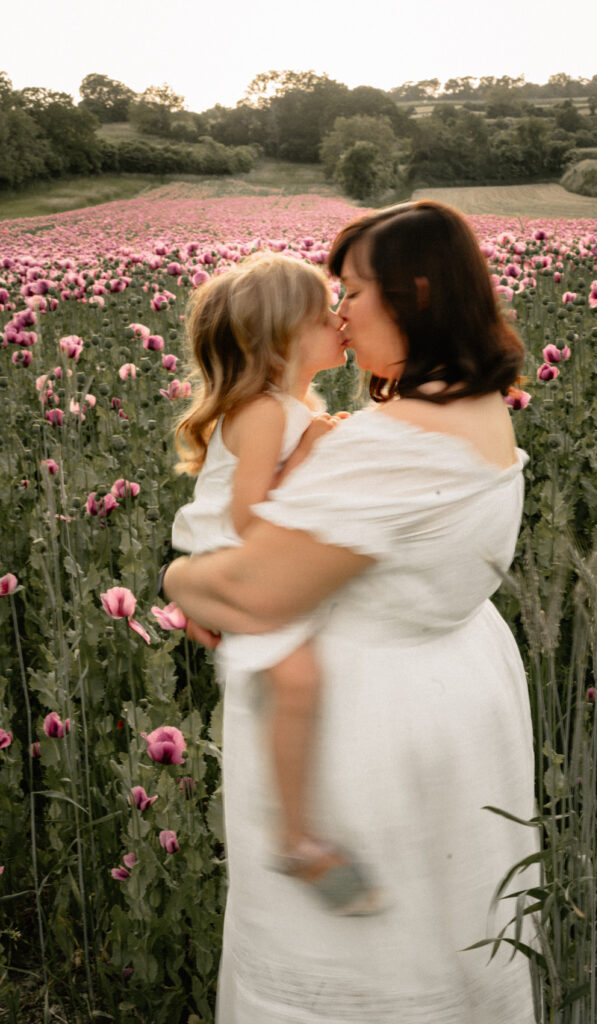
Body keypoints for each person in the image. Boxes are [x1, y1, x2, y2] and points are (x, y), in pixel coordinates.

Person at [163, 201, 538, 1023]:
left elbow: (253, 591)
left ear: (415, 293)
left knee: (366, 983)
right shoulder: (473, 407)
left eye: (354, 291)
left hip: (370, 740)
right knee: (448, 947)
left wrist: (180, 580)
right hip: (451, 701)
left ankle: (305, 846)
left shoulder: (394, 439)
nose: (341, 311)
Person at [171, 252, 381, 914]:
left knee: (309, 681)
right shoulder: (264, 413)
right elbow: (249, 516)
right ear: (280, 340)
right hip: (236, 560)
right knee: (297, 682)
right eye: (323, 313)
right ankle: (295, 841)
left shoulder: (292, 406)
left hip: (258, 560)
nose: (339, 319)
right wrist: (318, 447)